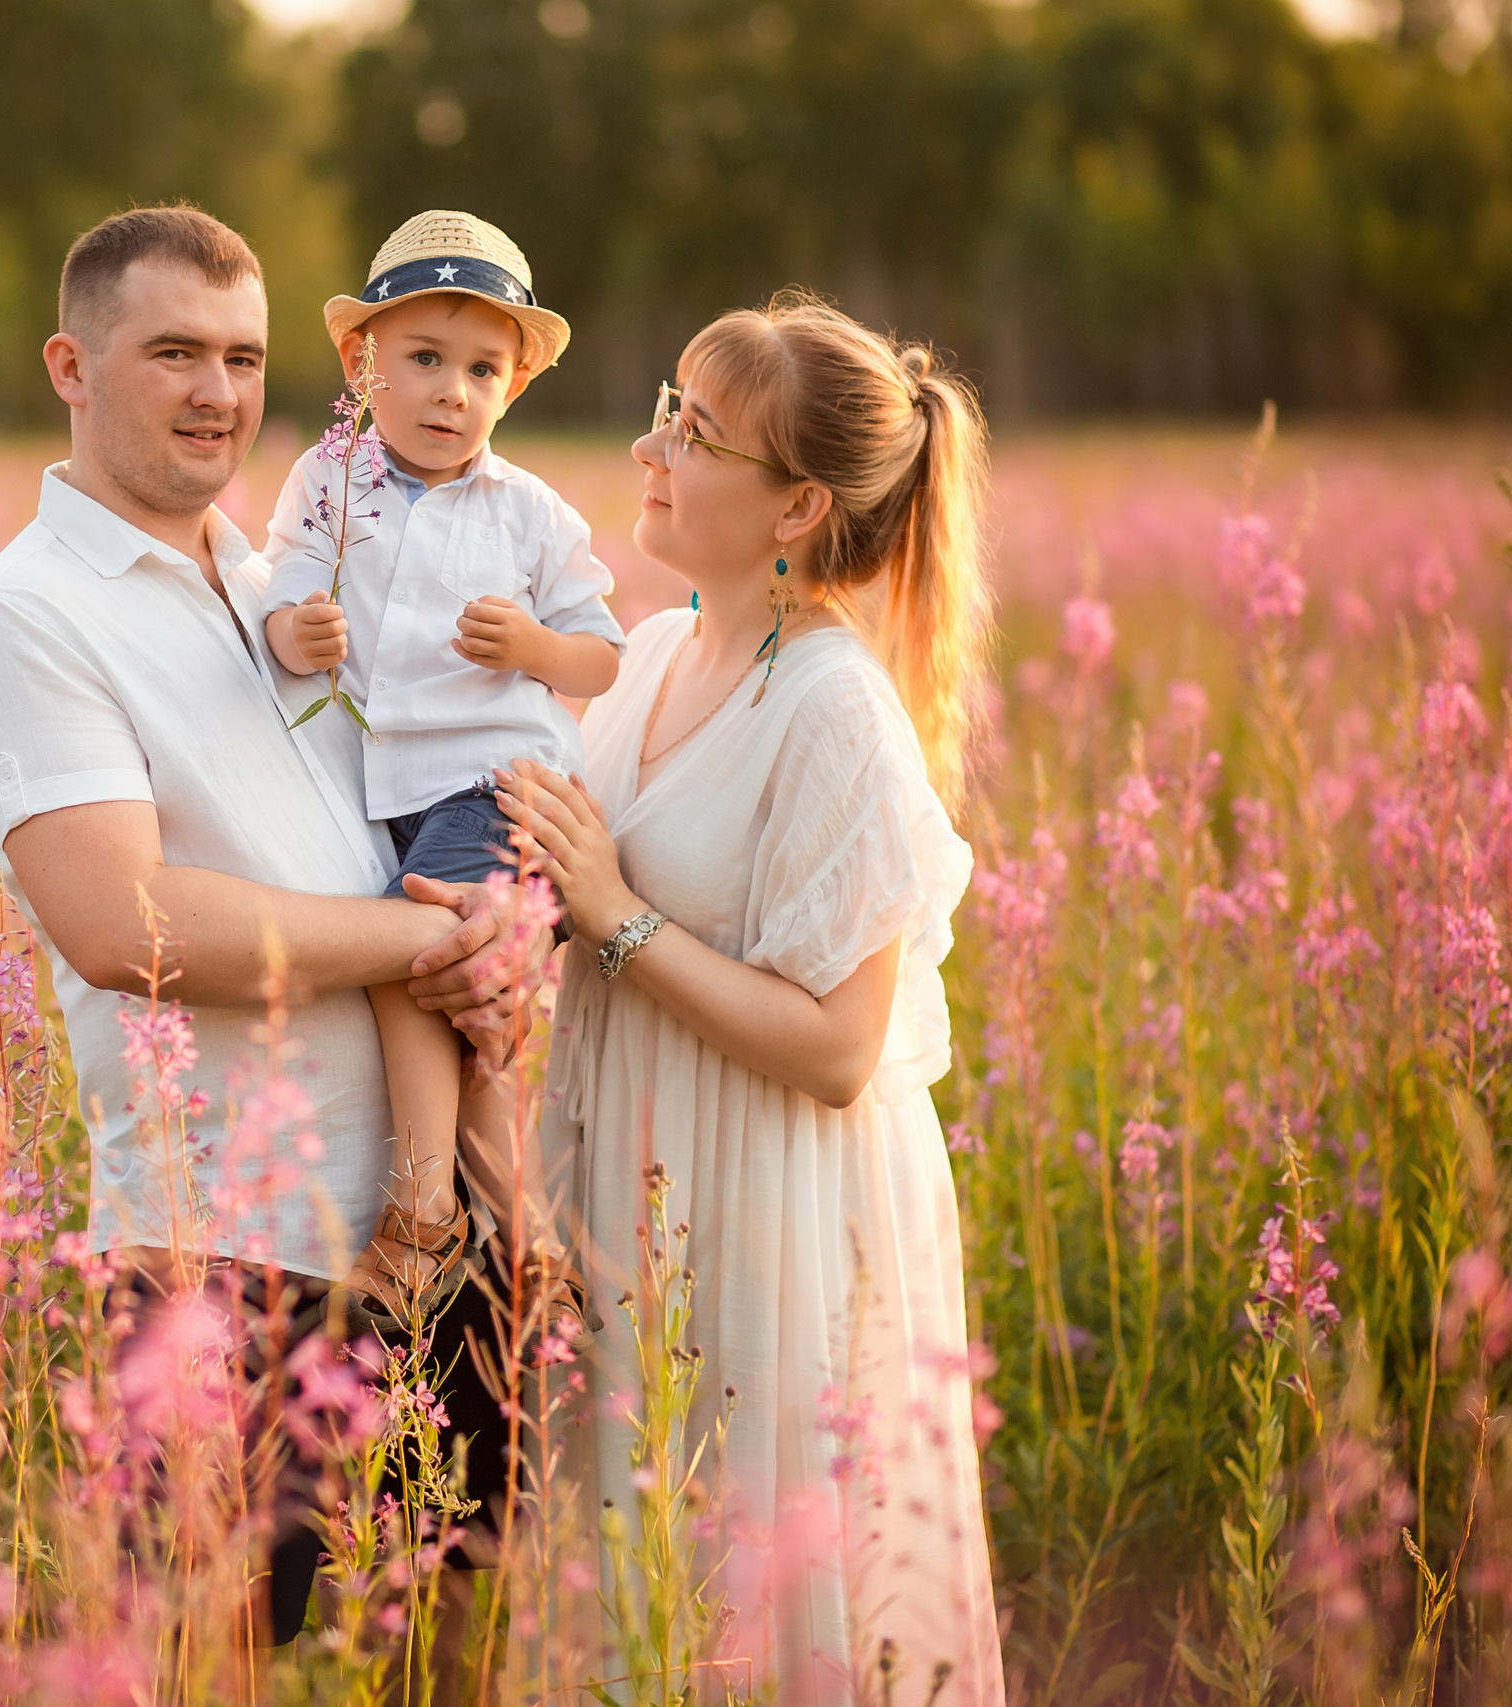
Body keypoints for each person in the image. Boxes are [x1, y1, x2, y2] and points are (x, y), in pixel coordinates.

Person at [0, 205, 535, 1667]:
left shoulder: (276, 584)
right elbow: (124, 921)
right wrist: (420, 944)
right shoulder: (26, 617)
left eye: (247, 357)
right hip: (224, 1249)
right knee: (212, 1648)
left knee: (454, 1639)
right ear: (70, 364)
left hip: (425, 1222)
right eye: (175, 353)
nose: (220, 393)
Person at [496, 291, 1006, 1706]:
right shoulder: (658, 650)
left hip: (769, 1198)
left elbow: (842, 1049)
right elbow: (575, 894)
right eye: (667, 405)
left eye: (698, 432)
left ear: (796, 505)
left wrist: (612, 913)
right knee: (631, 1562)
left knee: (746, 1572)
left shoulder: (836, 706)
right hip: (636, 1173)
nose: (654, 446)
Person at [260, 209, 622, 1339]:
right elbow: (278, 587)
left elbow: (600, 655)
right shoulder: (326, 480)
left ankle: (422, 1212)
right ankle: (525, 1235)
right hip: (383, 798)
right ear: (363, 364)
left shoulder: (529, 512)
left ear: (511, 389)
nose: (448, 392)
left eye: (480, 369)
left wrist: (532, 652)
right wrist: (293, 637)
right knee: (469, 1019)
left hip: (495, 792)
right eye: (422, 359)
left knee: (412, 955)